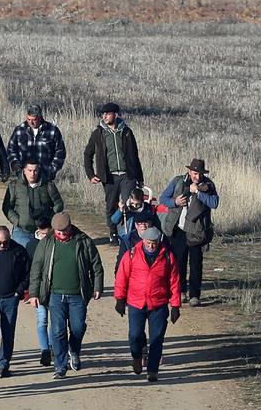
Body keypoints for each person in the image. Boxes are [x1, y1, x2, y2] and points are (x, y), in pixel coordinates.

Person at [29, 212, 104, 379]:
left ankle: (74, 350)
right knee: (57, 331)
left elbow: (96, 266)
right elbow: (36, 269)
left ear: (70, 227)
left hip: (78, 294)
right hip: (55, 295)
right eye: (58, 231)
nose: (61, 234)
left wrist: (97, 286)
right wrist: (34, 293)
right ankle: (60, 366)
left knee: (78, 328)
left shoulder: (83, 241)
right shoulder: (47, 242)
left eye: (64, 231)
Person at [114, 227, 182, 382]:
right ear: (143, 240)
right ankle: (137, 356)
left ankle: (152, 370)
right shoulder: (131, 254)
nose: (151, 246)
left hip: (158, 303)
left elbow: (174, 282)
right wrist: (119, 299)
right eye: (149, 242)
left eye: (154, 243)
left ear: (159, 242)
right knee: (135, 335)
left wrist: (175, 306)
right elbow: (122, 277)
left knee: (157, 338)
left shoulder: (167, 256)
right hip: (136, 302)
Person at [159, 158, 219, 306]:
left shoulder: (208, 185)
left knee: (196, 263)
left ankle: (194, 295)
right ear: (189, 171)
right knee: (178, 262)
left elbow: (214, 203)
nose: (196, 177)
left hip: (197, 230)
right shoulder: (178, 181)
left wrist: (198, 192)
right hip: (178, 229)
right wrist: (175, 202)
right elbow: (163, 198)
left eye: (199, 174)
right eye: (194, 173)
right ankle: (180, 292)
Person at [83, 102, 144, 242]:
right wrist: (91, 175)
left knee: (128, 203)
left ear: (115, 115)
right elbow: (87, 154)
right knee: (111, 204)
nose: (104, 116)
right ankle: (113, 232)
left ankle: (127, 231)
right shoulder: (98, 133)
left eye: (107, 114)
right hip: (109, 177)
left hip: (127, 175)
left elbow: (134, 156)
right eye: (103, 114)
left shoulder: (127, 132)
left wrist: (139, 178)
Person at [0, 225, 30, 378]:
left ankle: (4, 365)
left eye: (5, 242)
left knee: (8, 333)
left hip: (11, 298)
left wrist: (19, 291)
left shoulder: (19, 251)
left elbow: (27, 274)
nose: (2, 245)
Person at [2, 160, 64, 256]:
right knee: (19, 256)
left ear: (39, 170)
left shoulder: (48, 185)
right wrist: (17, 220)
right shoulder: (14, 186)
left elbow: (58, 204)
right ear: (24, 170)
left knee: (46, 257)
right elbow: (7, 207)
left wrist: (50, 219)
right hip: (22, 230)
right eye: (30, 170)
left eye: (35, 170)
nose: (32, 174)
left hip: (44, 231)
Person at [7, 103, 67, 181]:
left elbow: (60, 151)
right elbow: (11, 149)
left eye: (34, 120)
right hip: (23, 176)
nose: (31, 122)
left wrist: (53, 169)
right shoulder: (19, 130)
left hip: (45, 175)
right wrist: (16, 165)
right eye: (28, 119)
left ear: (40, 117)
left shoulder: (52, 130)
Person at [112, 188, 159, 258]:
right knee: (125, 257)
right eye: (132, 203)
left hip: (141, 236)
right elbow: (114, 220)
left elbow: (152, 221)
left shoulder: (147, 208)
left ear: (142, 201)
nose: (134, 206)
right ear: (130, 199)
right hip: (127, 236)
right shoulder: (125, 207)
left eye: (137, 204)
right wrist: (120, 210)